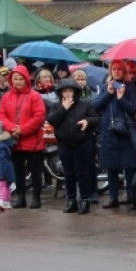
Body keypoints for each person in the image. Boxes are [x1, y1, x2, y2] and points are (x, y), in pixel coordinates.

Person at [0, 65, 47, 209]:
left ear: (26, 80)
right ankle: (21, 197)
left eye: (20, 79)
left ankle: (36, 197)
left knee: (35, 170)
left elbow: (39, 116)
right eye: (15, 79)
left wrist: (22, 129)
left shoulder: (34, 96)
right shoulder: (6, 97)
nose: (18, 82)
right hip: (14, 141)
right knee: (18, 171)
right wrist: (13, 128)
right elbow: (1, 115)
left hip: (32, 141)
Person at [47, 78, 100, 214]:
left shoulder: (85, 105)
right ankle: (71, 200)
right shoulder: (56, 105)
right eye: (65, 91)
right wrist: (64, 108)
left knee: (83, 172)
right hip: (64, 143)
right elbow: (52, 120)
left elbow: (96, 119)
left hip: (83, 142)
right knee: (68, 173)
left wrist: (87, 121)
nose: (68, 94)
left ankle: (85, 200)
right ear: (61, 93)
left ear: (75, 92)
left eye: (70, 91)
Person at [93, 60, 136, 208]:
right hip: (109, 132)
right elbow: (95, 106)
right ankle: (113, 197)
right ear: (110, 71)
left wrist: (121, 99)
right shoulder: (104, 87)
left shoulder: (130, 88)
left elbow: (135, 109)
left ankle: (131, 196)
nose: (117, 72)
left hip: (125, 132)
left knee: (129, 166)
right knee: (111, 166)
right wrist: (108, 93)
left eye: (120, 69)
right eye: (114, 69)